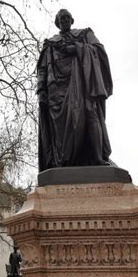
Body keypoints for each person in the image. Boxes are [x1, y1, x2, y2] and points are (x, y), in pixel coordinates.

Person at [37, 9, 113, 172]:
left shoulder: (84, 34)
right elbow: (42, 68)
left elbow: (99, 50)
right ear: (57, 23)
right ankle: (63, 162)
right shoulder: (50, 43)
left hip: (83, 84)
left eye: (67, 17)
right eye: (60, 18)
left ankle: (97, 157)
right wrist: (41, 90)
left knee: (90, 114)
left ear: (72, 20)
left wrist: (78, 48)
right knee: (60, 128)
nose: (64, 20)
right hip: (56, 90)